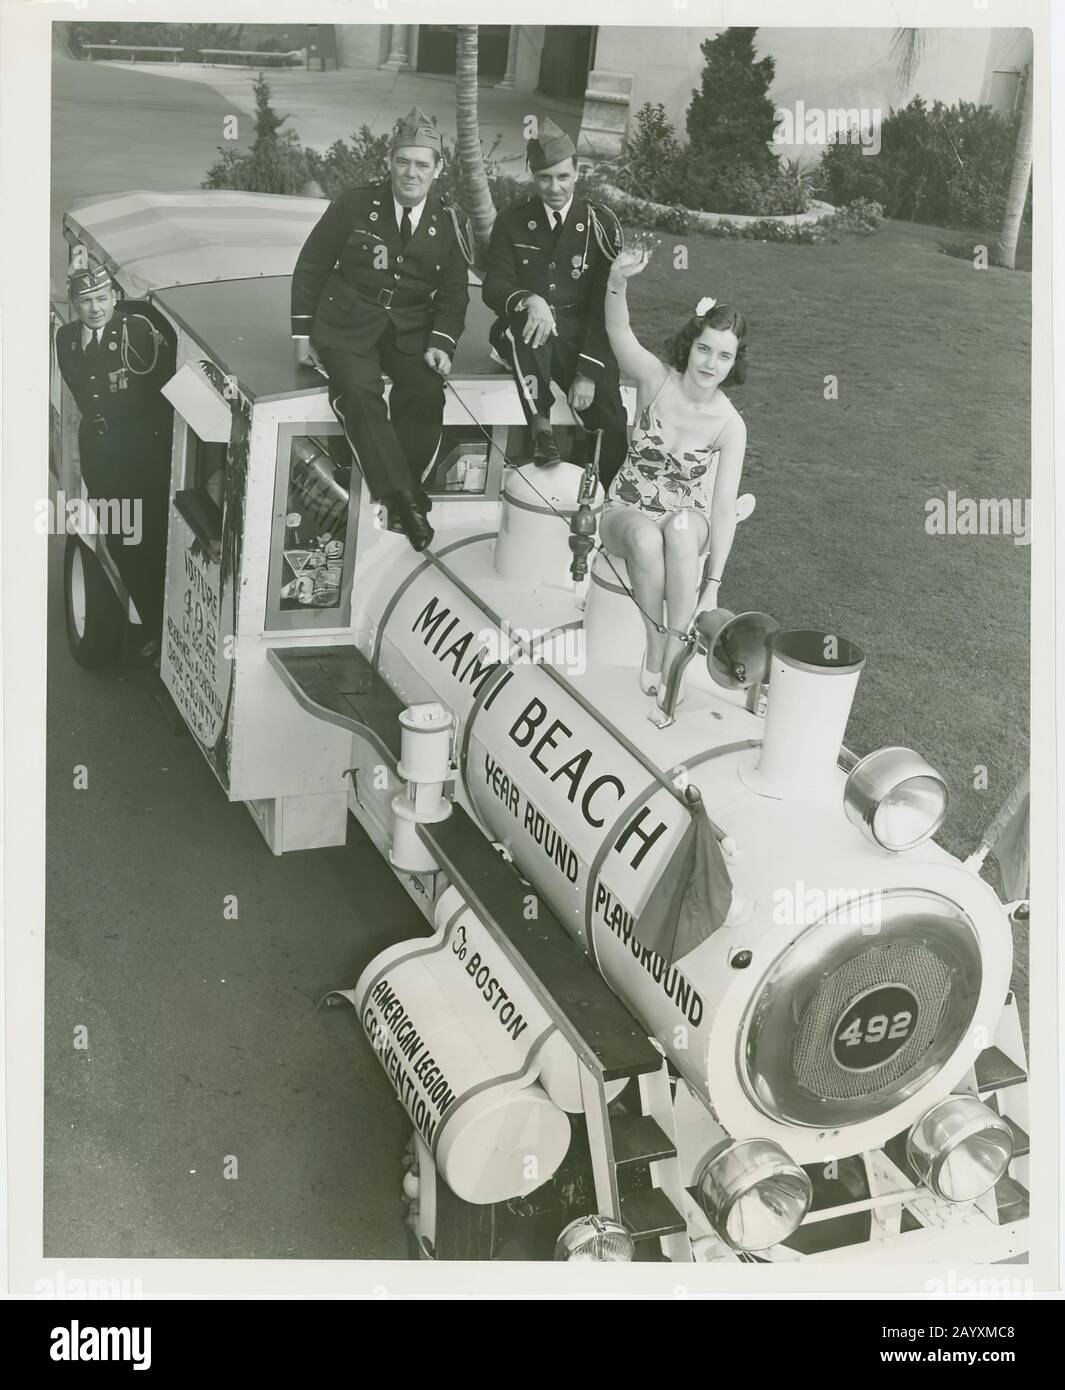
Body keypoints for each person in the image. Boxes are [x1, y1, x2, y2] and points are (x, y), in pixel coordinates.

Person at [290, 107, 472, 553]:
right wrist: (301, 337)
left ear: (438, 169)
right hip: (346, 320)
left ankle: (399, 486)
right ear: (389, 162)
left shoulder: (449, 221)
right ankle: (407, 502)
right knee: (357, 391)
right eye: (403, 162)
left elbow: (453, 294)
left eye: (422, 165)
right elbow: (312, 264)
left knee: (426, 390)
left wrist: (442, 344)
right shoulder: (354, 204)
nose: (411, 173)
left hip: (410, 327)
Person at [600, 245, 748, 707]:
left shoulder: (730, 424)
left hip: (687, 515)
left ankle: (679, 641)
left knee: (682, 531)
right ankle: (655, 646)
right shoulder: (655, 378)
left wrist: (715, 585)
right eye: (704, 349)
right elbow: (618, 330)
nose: (710, 364)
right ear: (691, 344)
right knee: (645, 540)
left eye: (724, 356)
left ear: (734, 362)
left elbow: (722, 509)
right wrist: (617, 281)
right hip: (626, 507)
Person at [481, 117, 628, 488]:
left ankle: (608, 503)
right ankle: (541, 428)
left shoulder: (600, 224)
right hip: (528, 326)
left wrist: (588, 373)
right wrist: (529, 298)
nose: (554, 187)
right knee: (527, 326)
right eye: (545, 178)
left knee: (611, 423)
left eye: (563, 177)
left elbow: (604, 302)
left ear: (577, 173)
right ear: (533, 176)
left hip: (583, 331)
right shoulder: (513, 219)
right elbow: (494, 285)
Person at [55, 264, 177, 658]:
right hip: (101, 452)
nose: (95, 309)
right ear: (74, 304)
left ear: (114, 298)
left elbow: (162, 394)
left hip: (142, 454)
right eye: (86, 301)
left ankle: (161, 631)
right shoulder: (67, 337)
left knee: (151, 540)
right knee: (121, 543)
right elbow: (80, 387)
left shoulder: (138, 332)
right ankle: (153, 623)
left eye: (102, 299)